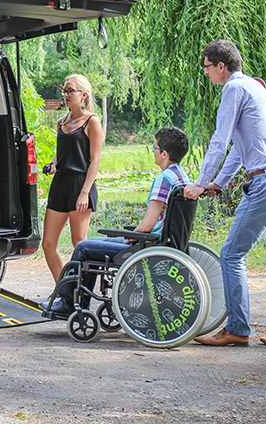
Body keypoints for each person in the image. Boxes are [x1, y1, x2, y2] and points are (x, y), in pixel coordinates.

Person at [185, 39, 266, 349]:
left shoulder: (233, 89)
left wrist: (201, 182)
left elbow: (220, 140)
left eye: (206, 67)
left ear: (220, 66)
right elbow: (240, 150)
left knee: (231, 254)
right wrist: (219, 182)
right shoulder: (256, 88)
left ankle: (237, 329)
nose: (206, 74)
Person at [44, 127, 190, 316]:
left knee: (83, 248)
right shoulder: (181, 176)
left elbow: (147, 225)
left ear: (164, 154)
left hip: (149, 245)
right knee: (90, 243)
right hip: (165, 242)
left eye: (154, 148)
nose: (152, 151)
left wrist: (132, 237)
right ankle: (74, 301)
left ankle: (70, 303)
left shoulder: (164, 179)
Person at [41, 74, 104, 281]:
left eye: (71, 91)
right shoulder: (61, 122)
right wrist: (53, 165)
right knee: (48, 244)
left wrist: (84, 193)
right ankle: (64, 290)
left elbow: (95, 161)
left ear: (84, 95)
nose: (66, 95)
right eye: (65, 91)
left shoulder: (92, 122)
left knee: (80, 243)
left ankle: (82, 292)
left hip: (81, 184)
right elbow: (61, 154)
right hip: (60, 184)